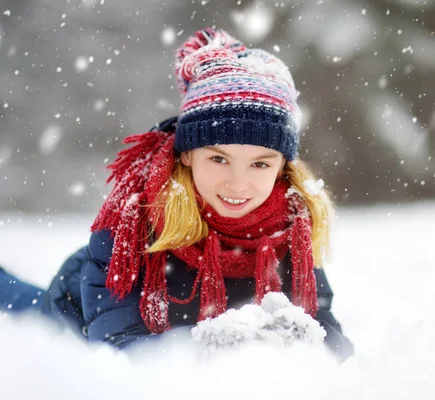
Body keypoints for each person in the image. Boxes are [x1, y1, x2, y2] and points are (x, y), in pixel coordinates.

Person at [0, 27, 354, 360]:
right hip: (80, 306)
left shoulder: (289, 227)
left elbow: (324, 326)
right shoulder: (137, 218)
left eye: (260, 164)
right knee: (20, 306)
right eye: (219, 158)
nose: (238, 183)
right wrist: (203, 357)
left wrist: (305, 345)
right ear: (186, 154)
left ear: (282, 167)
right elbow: (120, 343)